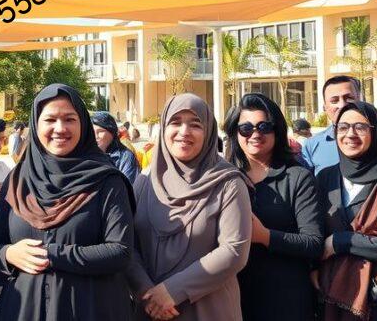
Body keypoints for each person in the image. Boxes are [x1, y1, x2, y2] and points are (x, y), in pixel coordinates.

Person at [0, 84, 134, 321]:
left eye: (69, 119)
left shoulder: (106, 181)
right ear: (36, 124)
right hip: (23, 309)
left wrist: (52, 254)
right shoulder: (17, 181)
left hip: (90, 309)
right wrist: (9, 253)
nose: (60, 128)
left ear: (82, 124)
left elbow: (120, 251)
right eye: (50, 120)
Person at [128, 93, 252, 321]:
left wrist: (172, 291)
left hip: (207, 309)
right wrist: (146, 292)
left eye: (195, 124)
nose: (184, 132)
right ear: (163, 128)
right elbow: (128, 243)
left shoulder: (227, 182)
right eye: (175, 123)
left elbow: (234, 251)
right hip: (149, 309)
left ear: (208, 132)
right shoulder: (145, 181)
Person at [315, 100, 377, 320]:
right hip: (333, 294)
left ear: (376, 132)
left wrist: (341, 241)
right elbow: (316, 234)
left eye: (360, 127)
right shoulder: (326, 178)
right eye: (343, 127)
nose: (350, 134)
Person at [226, 93, 323, 320]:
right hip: (235, 296)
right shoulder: (225, 177)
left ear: (277, 130)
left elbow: (314, 242)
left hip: (285, 297)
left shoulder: (297, 177)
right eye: (246, 128)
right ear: (235, 133)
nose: (255, 134)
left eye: (264, 126)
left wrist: (265, 236)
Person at [302, 76, 377, 173]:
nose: (342, 105)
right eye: (334, 101)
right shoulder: (312, 145)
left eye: (348, 98)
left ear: (360, 100)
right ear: (325, 108)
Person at [93, 111, 141, 184]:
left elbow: (128, 187)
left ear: (112, 133)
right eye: (92, 132)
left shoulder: (126, 156)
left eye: (100, 131)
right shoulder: (88, 154)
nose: (96, 136)